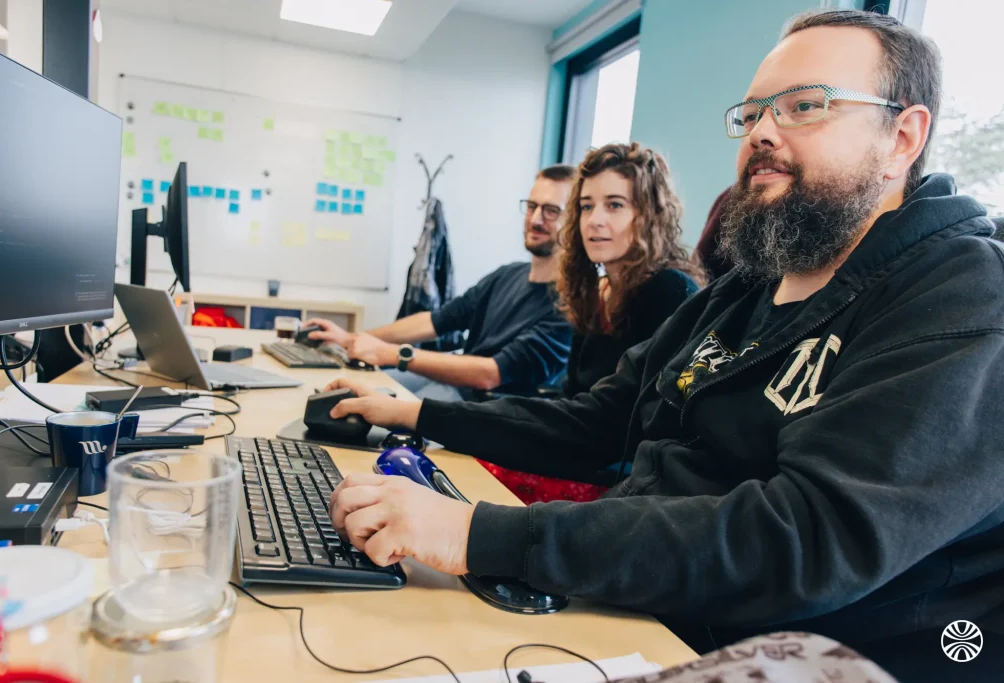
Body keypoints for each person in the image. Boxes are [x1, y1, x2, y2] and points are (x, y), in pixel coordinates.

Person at [320, 10, 1004, 680]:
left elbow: (807, 539)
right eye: (754, 112)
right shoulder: (752, 283)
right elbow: (600, 419)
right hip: (652, 609)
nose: (762, 131)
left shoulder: (964, 294)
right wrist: (411, 413)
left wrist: (479, 536)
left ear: (902, 137)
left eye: (803, 105)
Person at [477, 142, 704, 504]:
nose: (595, 220)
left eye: (615, 205)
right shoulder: (595, 290)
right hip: (581, 454)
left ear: (648, 214)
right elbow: (572, 398)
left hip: (623, 483)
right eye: (586, 206)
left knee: (477, 471)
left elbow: (627, 429)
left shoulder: (671, 290)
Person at [305, 165, 576, 401]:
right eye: (531, 207)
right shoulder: (507, 275)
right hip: (449, 386)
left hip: (483, 408)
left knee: (370, 414)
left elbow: (490, 374)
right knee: (339, 391)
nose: (536, 218)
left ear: (574, 221)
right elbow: (434, 322)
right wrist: (351, 338)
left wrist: (393, 354)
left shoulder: (568, 307)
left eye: (551, 211)